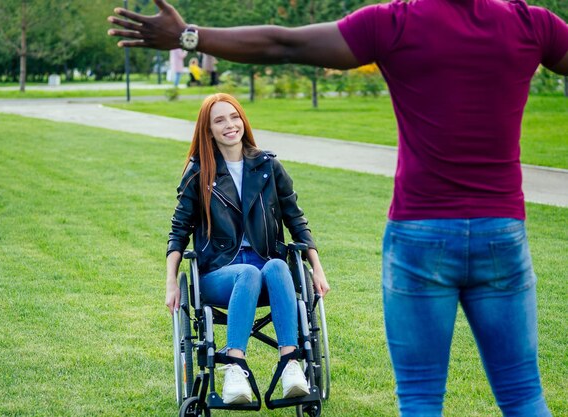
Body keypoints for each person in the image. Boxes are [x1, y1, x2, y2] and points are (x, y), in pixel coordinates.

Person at [108, 1, 568, 415]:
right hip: (501, 231)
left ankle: (280, 363)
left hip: (420, 233)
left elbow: (281, 43)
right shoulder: (530, 23)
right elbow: (181, 226)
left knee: (423, 396)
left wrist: (191, 37)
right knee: (524, 394)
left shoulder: (396, 22)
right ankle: (251, 365)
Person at [164, 93, 330, 404]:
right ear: (208, 130)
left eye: (234, 116)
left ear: (243, 120)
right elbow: (178, 230)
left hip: (268, 270)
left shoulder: (268, 167)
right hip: (219, 274)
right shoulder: (198, 173)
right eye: (219, 120)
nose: (230, 125)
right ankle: (234, 368)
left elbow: (296, 219)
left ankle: (291, 364)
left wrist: (316, 268)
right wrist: (172, 281)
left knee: (278, 266)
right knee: (247, 274)